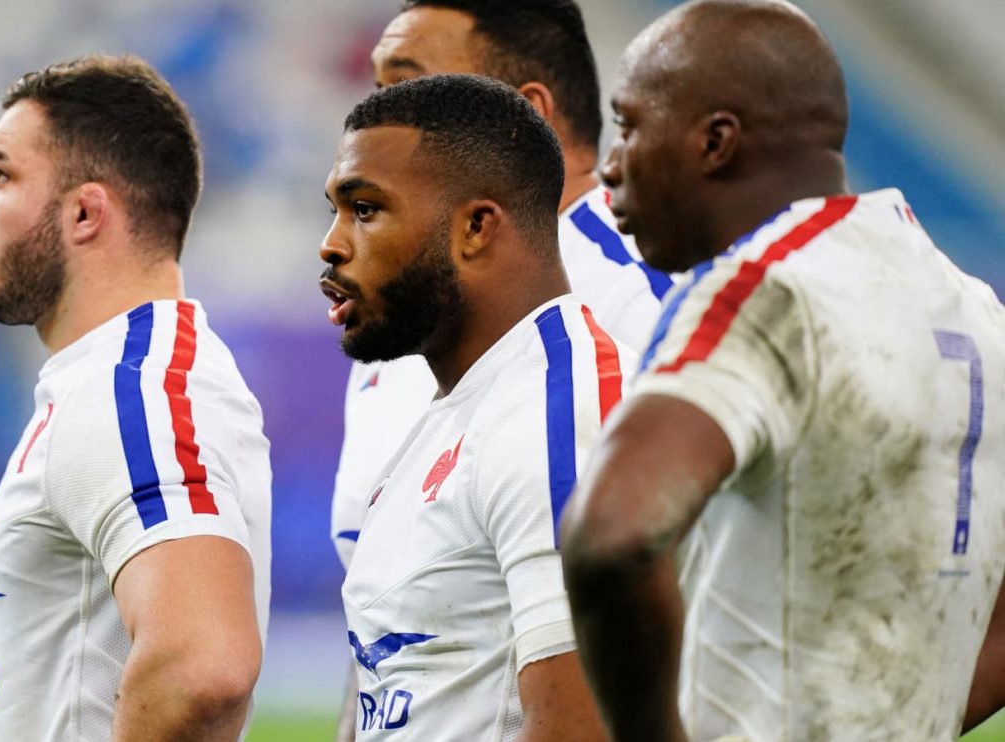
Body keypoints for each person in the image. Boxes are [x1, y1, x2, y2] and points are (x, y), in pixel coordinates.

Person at [557, 2, 1005, 740]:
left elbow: (612, 533)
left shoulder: (763, 290)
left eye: (630, 126)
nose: (610, 167)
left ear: (716, 142)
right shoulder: (973, 308)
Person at [0, 55, 271, 742]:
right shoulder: (120, 376)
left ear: (86, 213)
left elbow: (202, 666)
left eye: (0, 174)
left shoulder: (134, 387)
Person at [322, 73, 629, 740]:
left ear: (476, 228)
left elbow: (585, 727)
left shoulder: (558, 411)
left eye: (365, 209)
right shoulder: (454, 411)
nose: (332, 243)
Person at [330, 0, 670, 573]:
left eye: (409, 89)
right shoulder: (401, 308)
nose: (376, 123)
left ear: (524, 114)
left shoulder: (644, 299)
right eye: (376, 93)